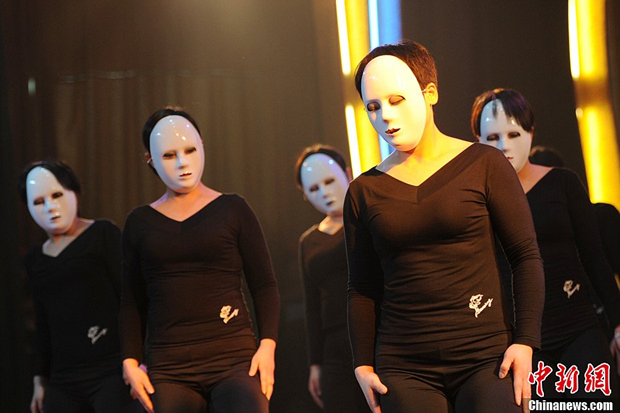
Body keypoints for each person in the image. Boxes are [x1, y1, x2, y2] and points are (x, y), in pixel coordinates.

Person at [344, 40, 544, 413]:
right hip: (403, 364)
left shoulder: (484, 163)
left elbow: (525, 255)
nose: (385, 116)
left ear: (430, 93)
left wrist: (526, 341)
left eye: (396, 100)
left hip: (487, 355)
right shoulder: (363, 191)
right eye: (373, 106)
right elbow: (362, 287)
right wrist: (362, 364)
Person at [120, 107, 280, 413]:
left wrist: (267, 345)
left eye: (190, 150)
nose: (182, 163)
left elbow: (264, 284)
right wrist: (130, 361)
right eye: (169, 155)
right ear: (150, 160)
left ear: (202, 146)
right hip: (168, 364)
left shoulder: (233, 209)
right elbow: (131, 300)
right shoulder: (140, 222)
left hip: (233, 357)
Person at [472, 88, 620, 400]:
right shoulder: (477, 200)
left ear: (530, 131)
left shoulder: (562, 182)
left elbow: (594, 256)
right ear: (479, 140)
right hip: (521, 340)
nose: (504, 145)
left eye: (513, 134)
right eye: (493, 137)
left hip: (578, 325)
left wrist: (618, 322)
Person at [17, 160, 139, 413]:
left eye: (57, 195)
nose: (50, 207)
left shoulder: (102, 234)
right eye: (38, 201)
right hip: (64, 377)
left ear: (74, 192)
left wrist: (137, 359)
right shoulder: (35, 260)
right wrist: (39, 379)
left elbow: (130, 298)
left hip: (111, 366)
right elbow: (43, 323)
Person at [295, 144, 369, 412]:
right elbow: (312, 306)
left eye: (329, 181)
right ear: (305, 195)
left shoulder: (367, 219)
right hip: (335, 347)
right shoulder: (309, 241)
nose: (325, 192)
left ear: (347, 173)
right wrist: (315, 363)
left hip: (377, 335)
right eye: (314, 188)